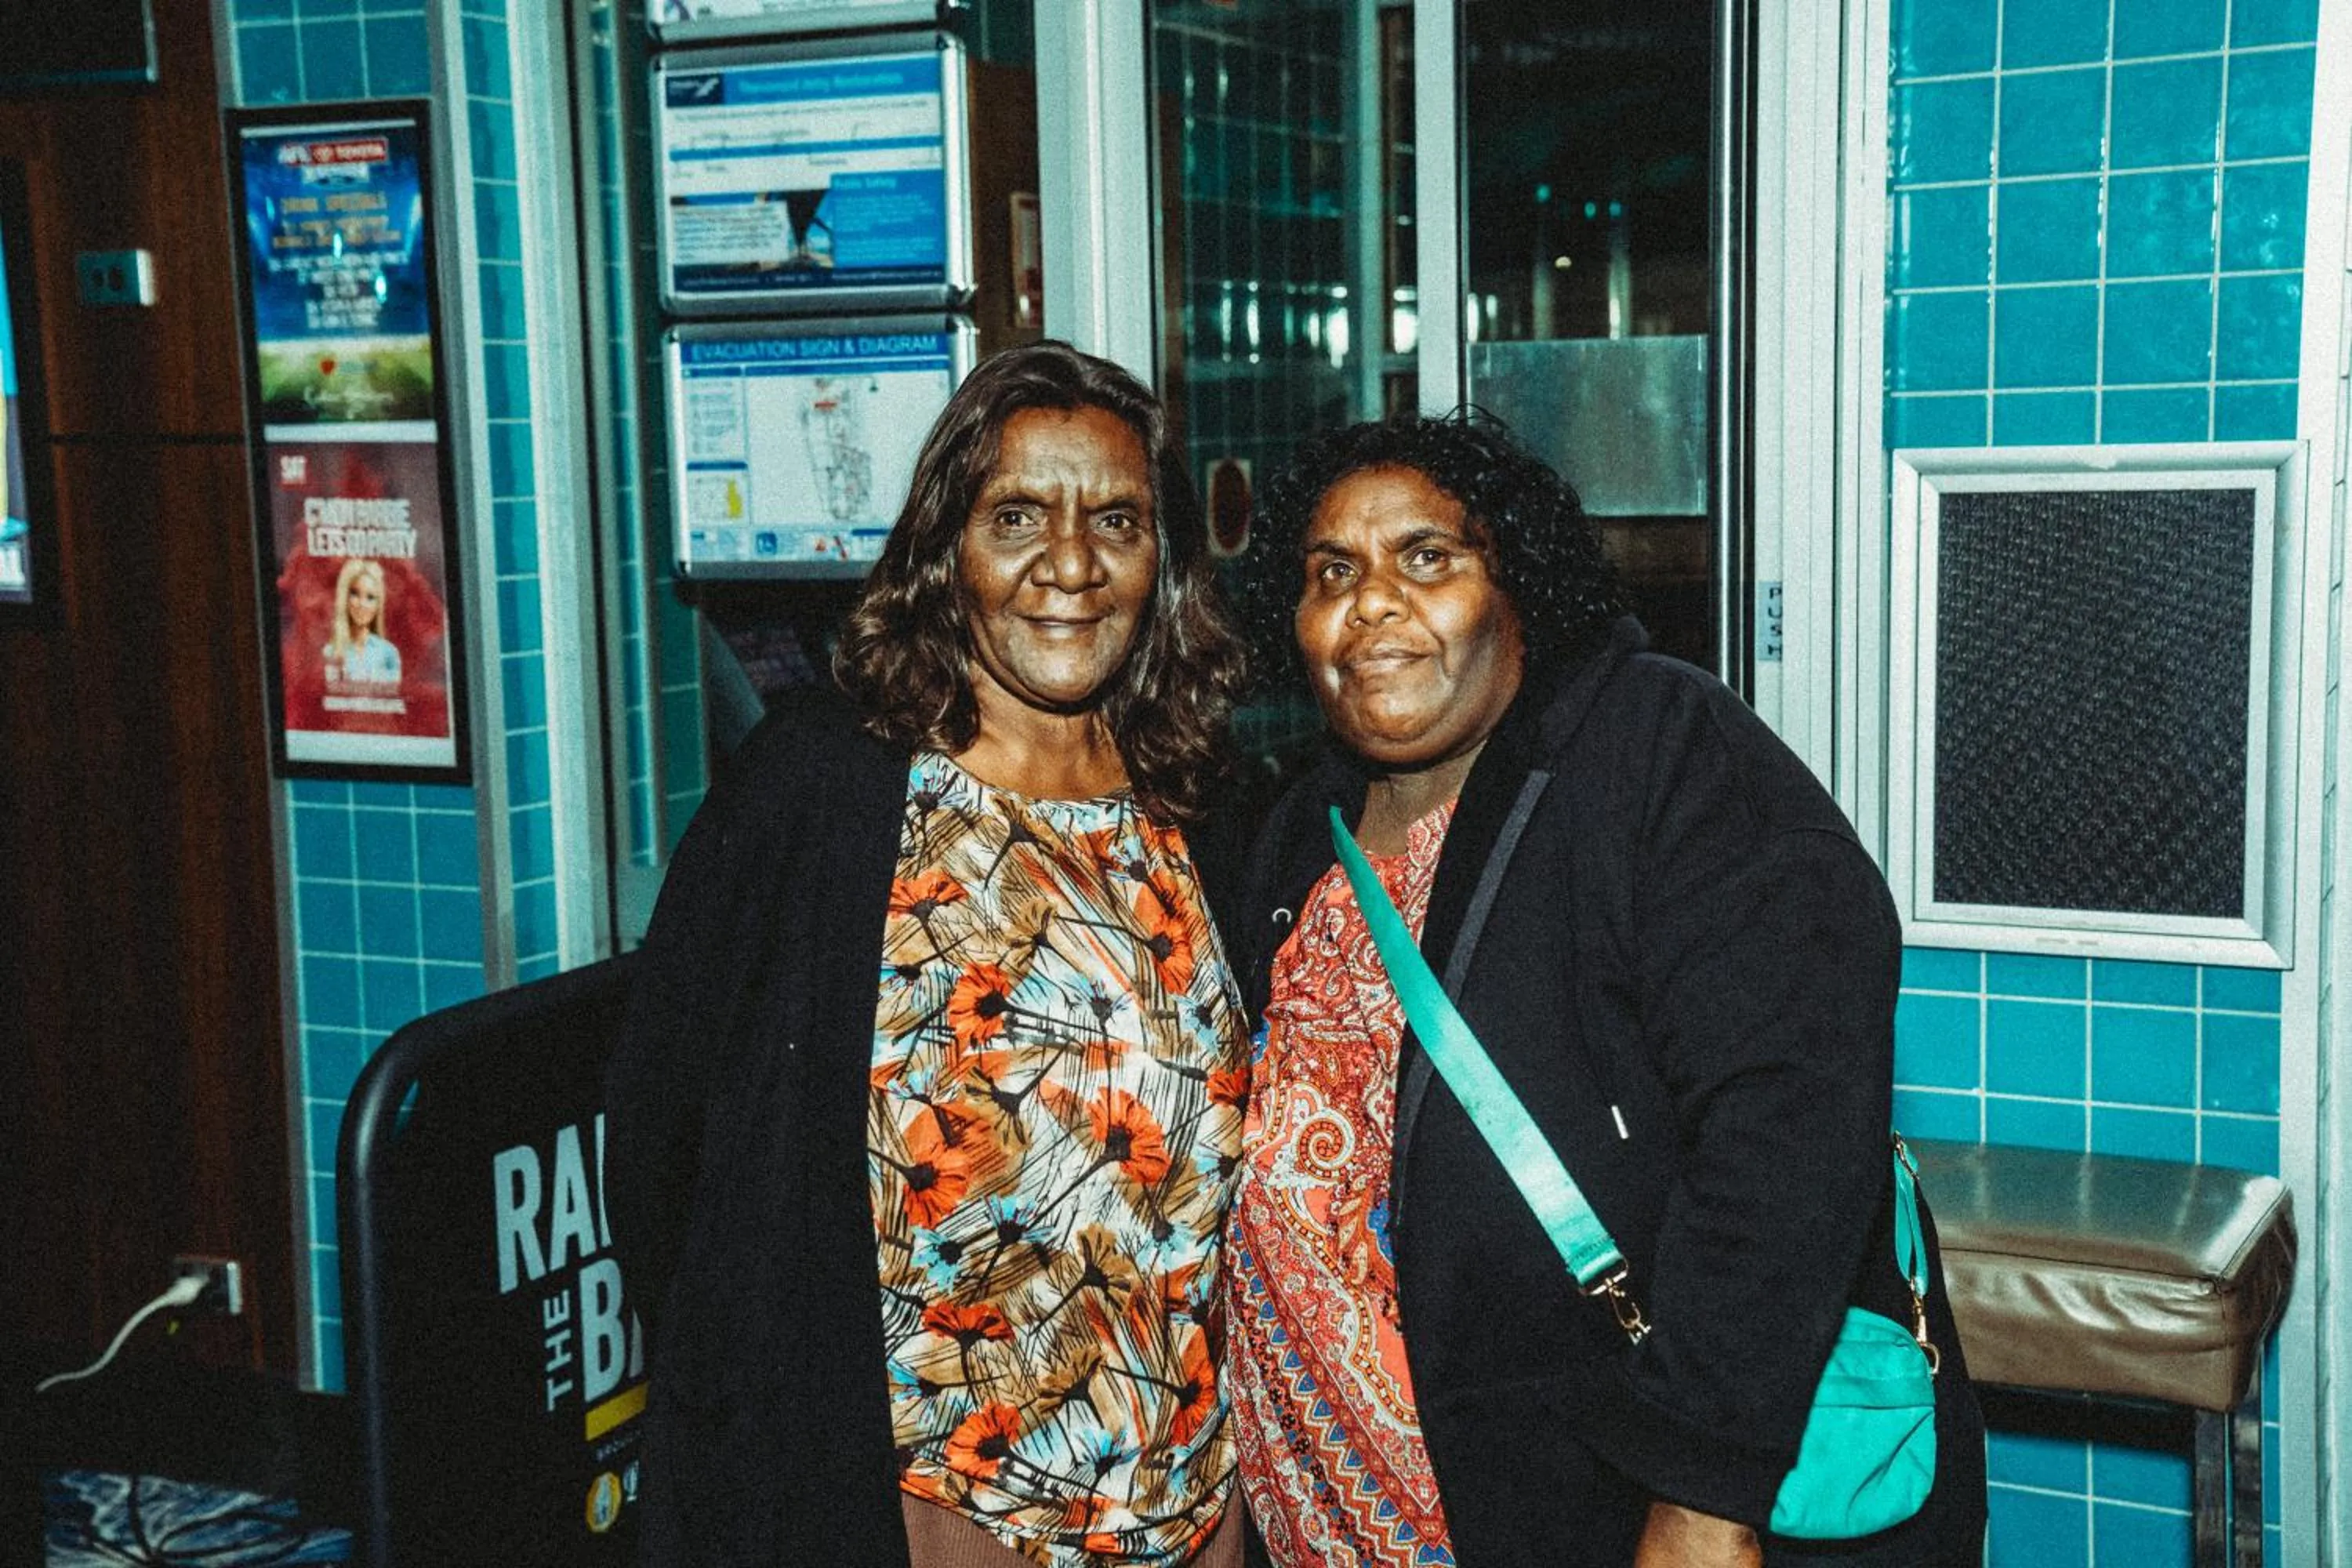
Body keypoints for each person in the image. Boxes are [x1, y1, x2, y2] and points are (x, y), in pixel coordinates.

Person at [1221, 414, 1986, 1567]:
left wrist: (1702, 1492)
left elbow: (1791, 1122)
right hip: (1342, 1513)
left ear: (1519, 586)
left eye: (1428, 557)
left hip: (1613, 1502)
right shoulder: (1296, 831)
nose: (1372, 602)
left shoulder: (1655, 750)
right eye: (1334, 573)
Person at [607, 342, 1255, 1568]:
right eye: (1018, 515)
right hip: (918, 1509)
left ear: (1161, 559)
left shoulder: (1202, 805)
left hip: (1184, 1501)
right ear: (946, 550)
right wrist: (767, 1417)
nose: (1069, 565)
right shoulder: (822, 788)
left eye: (1115, 520)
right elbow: (662, 1128)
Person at [323, 557, 400, 686]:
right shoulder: (330, 652)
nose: (362, 604)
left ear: (378, 605)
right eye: (355, 594)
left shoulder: (389, 653)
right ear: (345, 597)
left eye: (370, 597)